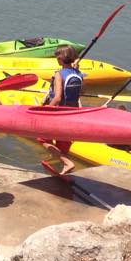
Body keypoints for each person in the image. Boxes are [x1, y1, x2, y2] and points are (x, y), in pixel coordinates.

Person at [40, 44, 84, 175]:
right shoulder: (79, 74)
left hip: (59, 113)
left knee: (42, 138)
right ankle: (63, 167)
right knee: (63, 143)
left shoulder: (59, 74)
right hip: (73, 113)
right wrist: (77, 70)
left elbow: (58, 97)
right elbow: (82, 91)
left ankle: (66, 162)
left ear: (59, 59)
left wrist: (47, 109)